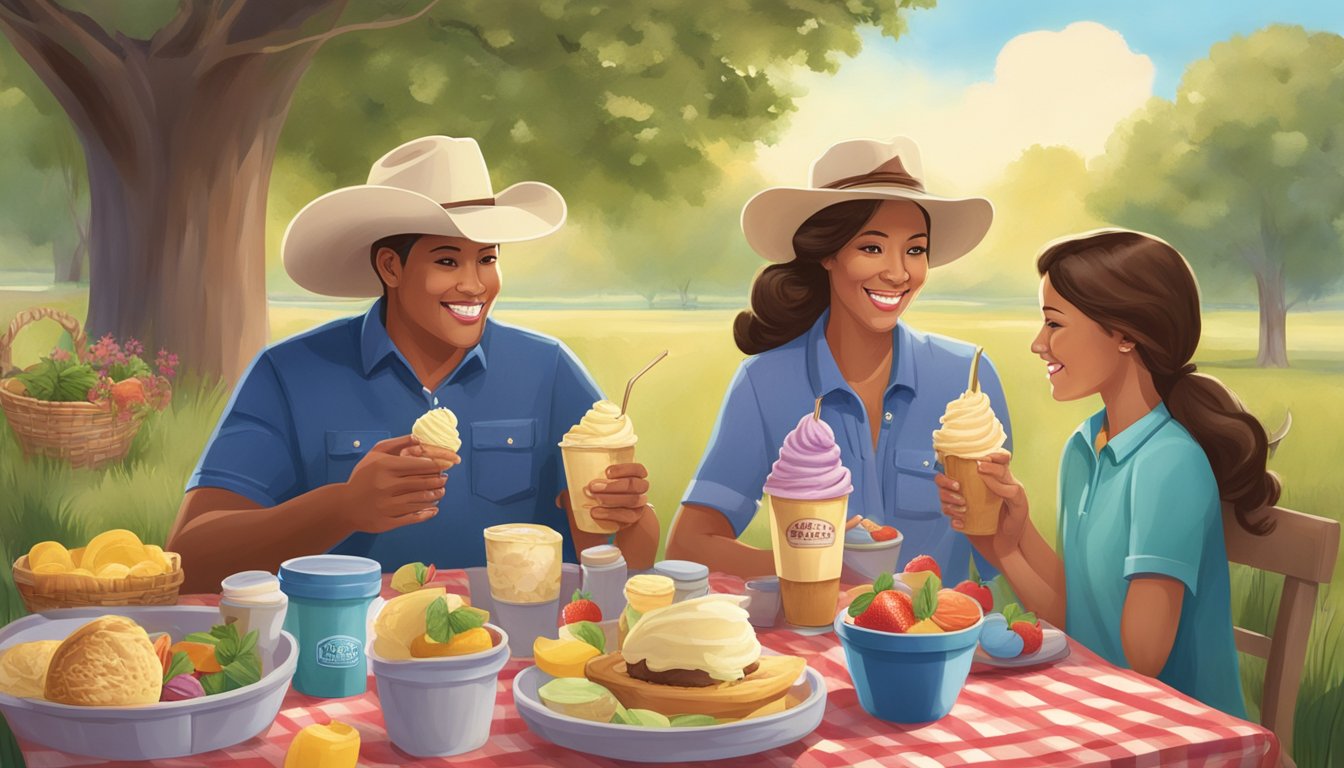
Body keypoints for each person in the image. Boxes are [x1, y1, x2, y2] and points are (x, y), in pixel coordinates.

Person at [167, 136, 659, 593]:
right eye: (448, 262)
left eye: (486, 260)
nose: (474, 285)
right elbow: (190, 558)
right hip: (345, 646)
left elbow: (627, 564)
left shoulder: (548, 369)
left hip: (512, 641)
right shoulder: (291, 372)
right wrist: (343, 507)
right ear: (390, 267)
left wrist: (629, 516)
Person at [937, 229, 1277, 717]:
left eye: (1054, 324)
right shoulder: (1083, 445)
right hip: (1104, 704)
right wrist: (1009, 544)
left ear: (1124, 335)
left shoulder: (1169, 464)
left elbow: (1140, 660)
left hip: (1182, 729)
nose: (1038, 343)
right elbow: (1079, 611)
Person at [665, 137, 1012, 585]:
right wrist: (812, 566)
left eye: (915, 249)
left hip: (935, 640)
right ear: (828, 254)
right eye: (872, 247)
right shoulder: (765, 381)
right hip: (811, 644)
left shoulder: (967, 377)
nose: (898, 272)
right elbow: (690, 545)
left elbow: (997, 556)